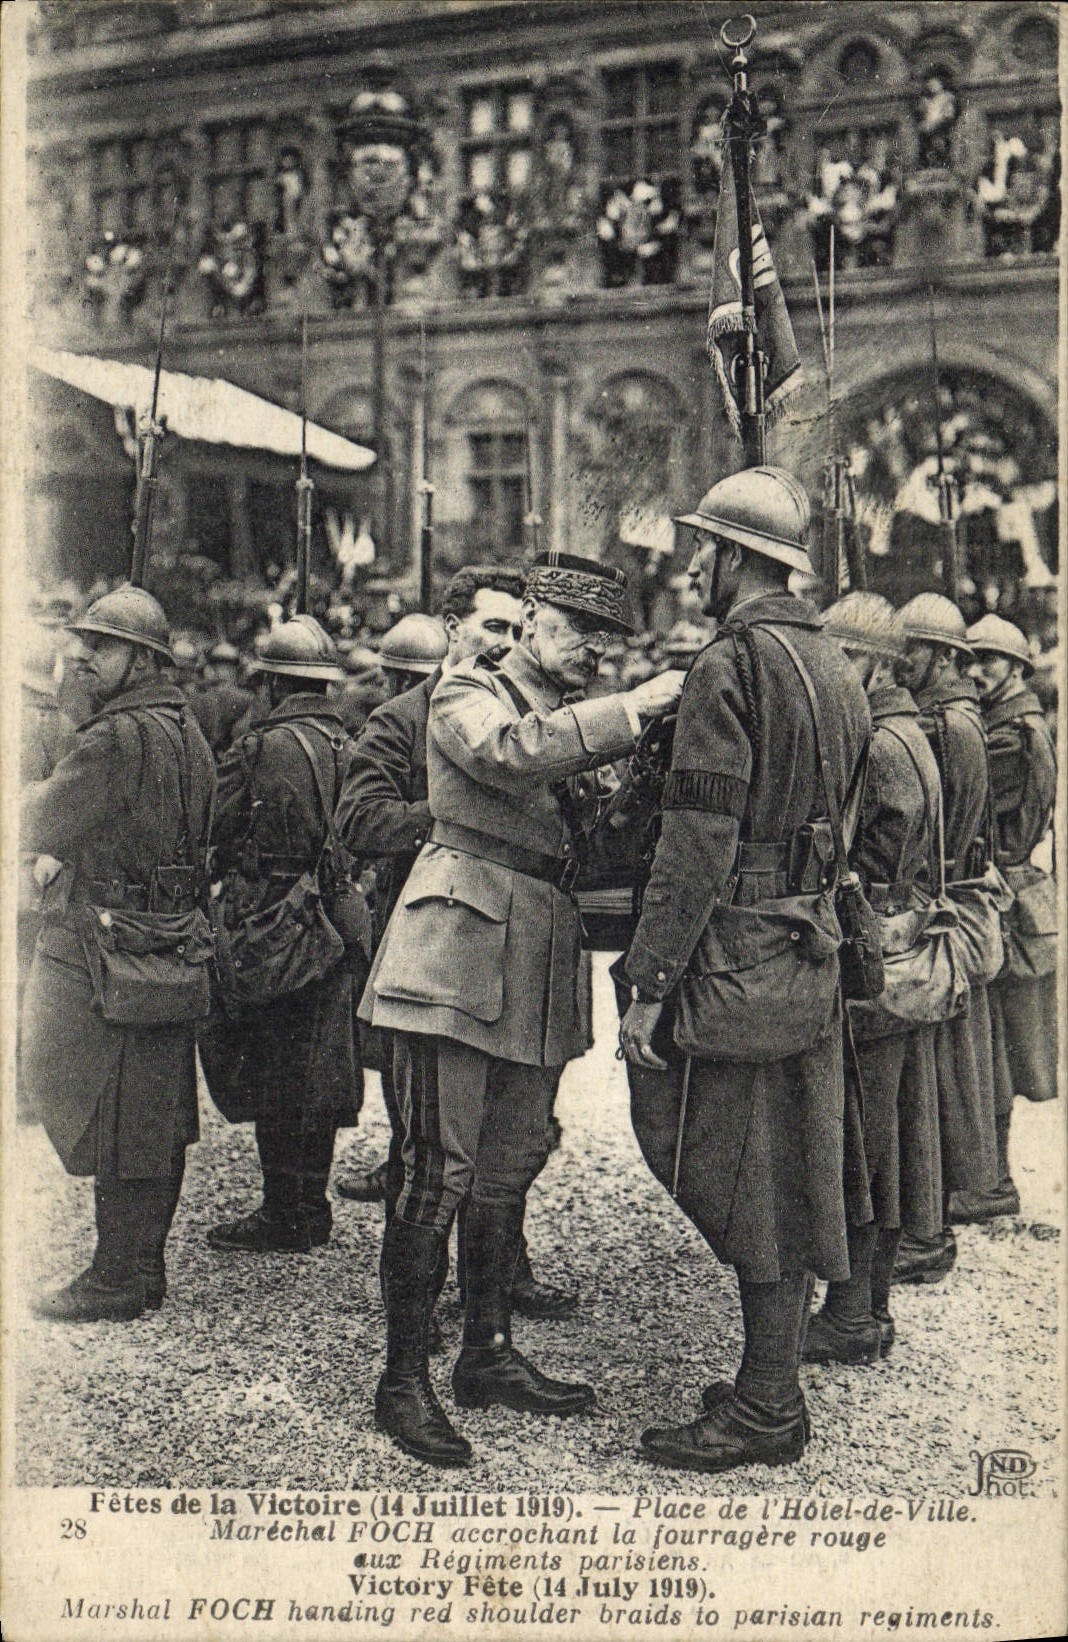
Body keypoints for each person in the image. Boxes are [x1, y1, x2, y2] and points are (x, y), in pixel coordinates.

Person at [360, 551, 684, 1465]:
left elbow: (599, 834)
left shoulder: (564, 713)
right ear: (533, 617)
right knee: (436, 1170)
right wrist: (638, 708)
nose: (596, 650)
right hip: (452, 950)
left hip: (537, 945)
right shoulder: (471, 687)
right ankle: (402, 1379)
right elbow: (511, 757)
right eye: (581, 629)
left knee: (506, 1170)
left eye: (609, 640)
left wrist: (647, 776)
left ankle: (488, 1351)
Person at [617, 467, 870, 1474]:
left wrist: (647, 984)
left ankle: (769, 1404)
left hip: (735, 956)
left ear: (734, 557)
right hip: (805, 949)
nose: (691, 565)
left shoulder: (731, 663)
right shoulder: (834, 661)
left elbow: (698, 837)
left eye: (702, 549)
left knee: (737, 1170)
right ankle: (771, 1382)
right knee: (791, 1165)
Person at [336, 566, 577, 1321]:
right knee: (434, 1149)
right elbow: (359, 821)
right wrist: (454, 817)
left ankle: (499, 1291)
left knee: (510, 1142)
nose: (507, 642)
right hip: (436, 937)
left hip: (513, 934)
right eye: (492, 628)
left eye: (517, 629)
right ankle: (418, 1330)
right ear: (452, 629)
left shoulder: (539, 708)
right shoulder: (407, 716)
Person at [20, 585, 215, 1322]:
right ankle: (141, 1266)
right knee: (156, 1110)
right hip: (172, 941)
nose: (82, 654)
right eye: (82, 642)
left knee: (107, 1103)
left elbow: (41, 820)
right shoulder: (186, 731)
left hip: (110, 945)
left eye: (100, 646)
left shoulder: (112, 739)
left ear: (142, 659)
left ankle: (116, 1275)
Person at [803, 593, 944, 1364]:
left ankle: (852, 1315)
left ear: (863, 662)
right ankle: (869, 1307)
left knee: (859, 1139)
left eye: (835, 661)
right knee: (886, 1136)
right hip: (900, 948)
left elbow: (865, 862)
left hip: (873, 957)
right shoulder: (909, 729)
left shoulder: (878, 743)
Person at [201, 615, 363, 1254]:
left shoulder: (260, 748)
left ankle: (282, 1211)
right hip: (337, 915)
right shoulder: (350, 742)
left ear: (270, 684)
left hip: (272, 920)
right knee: (320, 1064)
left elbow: (215, 827)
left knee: (272, 1063)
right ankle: (311, 1204)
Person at [893, 594, 997, 1281]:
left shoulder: (949, 725)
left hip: (942, 910)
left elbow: (947, 835)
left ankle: (926, 1235)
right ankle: (933, 1223)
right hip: (948, 903)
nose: (902, 661)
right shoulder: (958, 717)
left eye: (912, 650)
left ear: (938, 656)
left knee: (929, 1087)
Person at [950, 614, 1058, 1221]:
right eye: (971, 659)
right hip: (1015, 899)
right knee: (995, 1047)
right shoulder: (1018, 721)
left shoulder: (1011, 734)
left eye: (989, 660)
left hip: (1005, 901)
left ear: (1017, 667)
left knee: (989, 1048)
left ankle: (989, 1182)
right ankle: (989, 1177)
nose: (977, 670)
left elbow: (973, 799)